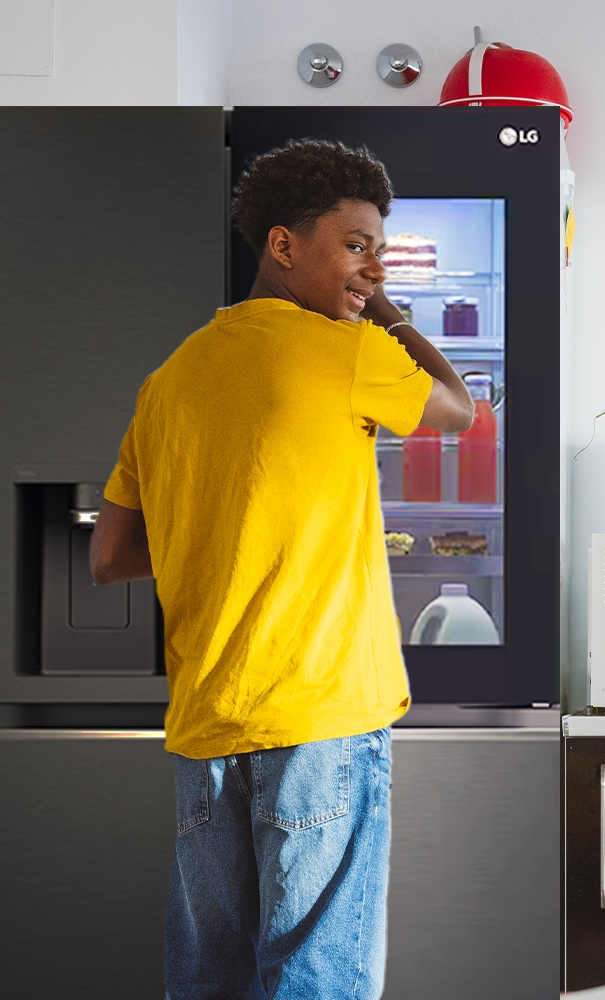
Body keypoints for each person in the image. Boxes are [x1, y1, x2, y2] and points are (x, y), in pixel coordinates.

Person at [89, 139, 473, 999]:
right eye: (355, 243)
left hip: (205, 732)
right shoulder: (347, 351)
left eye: (378, 247)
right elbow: (459, 408)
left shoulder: (168, 381)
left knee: (210, 981)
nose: (371, 266)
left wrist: (217, 525)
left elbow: (109, 556)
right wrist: (391, 318)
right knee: (314, 981)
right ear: (282, 244)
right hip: (319, 719)